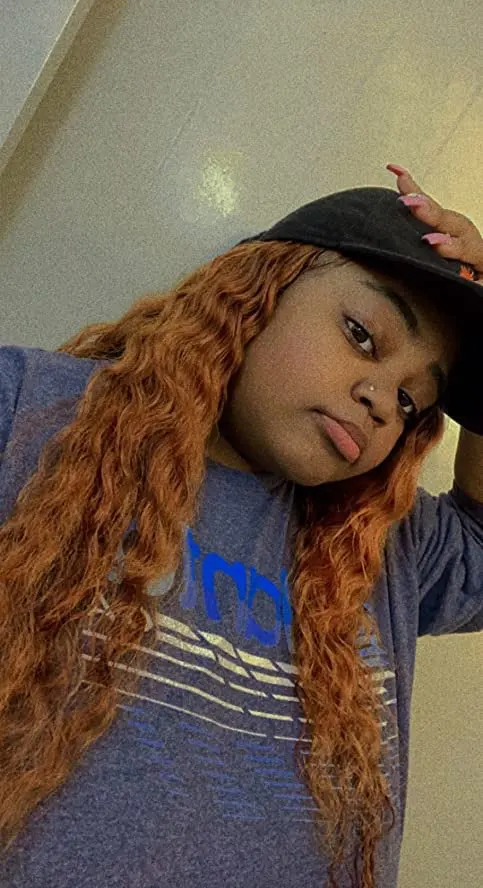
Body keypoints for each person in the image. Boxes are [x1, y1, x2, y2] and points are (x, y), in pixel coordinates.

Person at [0, 164, 481, 888]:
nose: (382, 399)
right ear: (256, 291)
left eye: (412, 401)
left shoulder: (386, 545)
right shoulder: (25, 415)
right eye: (362, 335)